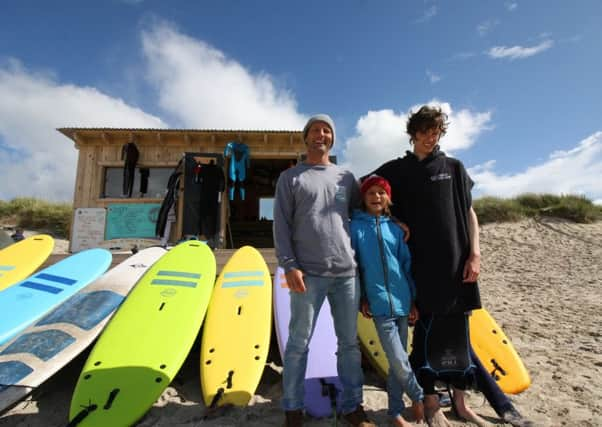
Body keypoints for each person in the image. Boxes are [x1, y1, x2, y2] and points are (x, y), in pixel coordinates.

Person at [366, 105, 533, 427]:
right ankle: (434, 404)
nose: (432, 137)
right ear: (413, 132)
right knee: (427, 338)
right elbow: (365, 193)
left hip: (458, 264)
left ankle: (462, 403)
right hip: (420, 268)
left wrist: (476, 254)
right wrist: (394, 218)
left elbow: (469, 212)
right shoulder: (396, 170)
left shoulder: (454, 167)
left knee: (458, 338)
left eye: (438, 132)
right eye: (427, 131)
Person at [273, 114, 375, 427]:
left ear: (332, 138)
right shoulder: (291, 178)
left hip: (346, 274)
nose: (321, 134)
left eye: (327, 130)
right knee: (298, 343)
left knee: (348, 344)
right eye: (315, 130)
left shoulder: (346, 177)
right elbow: (281, 225)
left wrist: (392, 222)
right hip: (307, 274)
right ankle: (292, 408)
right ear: (306, 138)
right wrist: (289, 265)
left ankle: (352, 407)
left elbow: (362, 215)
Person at [350, 174, 425, 427]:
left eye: (381, 193)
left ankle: (394, 411)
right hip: (379, 304)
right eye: (371, 193)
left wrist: (413, 300)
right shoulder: (355, 227)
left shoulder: (395, 229)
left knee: (398, 360)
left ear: (388, 198)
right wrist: (362, 297)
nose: (376, 197)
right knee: (396, 357)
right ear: (363, 198)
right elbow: (356, 267)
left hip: (403, 301)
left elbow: (406, 267)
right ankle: (419, 396)